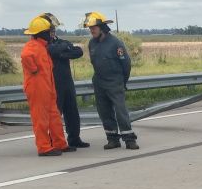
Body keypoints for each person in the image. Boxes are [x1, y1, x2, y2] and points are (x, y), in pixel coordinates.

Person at [82, 11, 137, 149]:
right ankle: (112, 138)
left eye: (93, 28)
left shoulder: (115, 43)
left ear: (102, 28)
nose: (91, 31)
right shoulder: (92, 43)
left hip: (115, 81)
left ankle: (129, 139)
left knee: (120, 110)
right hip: (99, 82)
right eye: (90, 28)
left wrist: (122, 81)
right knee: (104, 111)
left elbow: (126, 64)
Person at [20, 15, 70, 156]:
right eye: (49, 31)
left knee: (54, 117)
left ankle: (60, 144)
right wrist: (33, 69)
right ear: (42, 33)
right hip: (37, 88)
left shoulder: (43, 46)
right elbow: (25, 57)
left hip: (48, 88)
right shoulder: (32, 46)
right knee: (40, 118)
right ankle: (44, 147)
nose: (51, 34)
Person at [42, 13, 88, 148]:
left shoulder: (61, 42)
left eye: (54, 31)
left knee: (72, 112)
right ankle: (54, 141)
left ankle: (74, 138)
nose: (53, 33)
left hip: (67, 82)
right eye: (50, 31)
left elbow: (78, 51)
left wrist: (61, 53)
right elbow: (52, 51)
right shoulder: (44, 45)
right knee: (56, 114)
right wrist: (64, 50)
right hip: (54, 83)